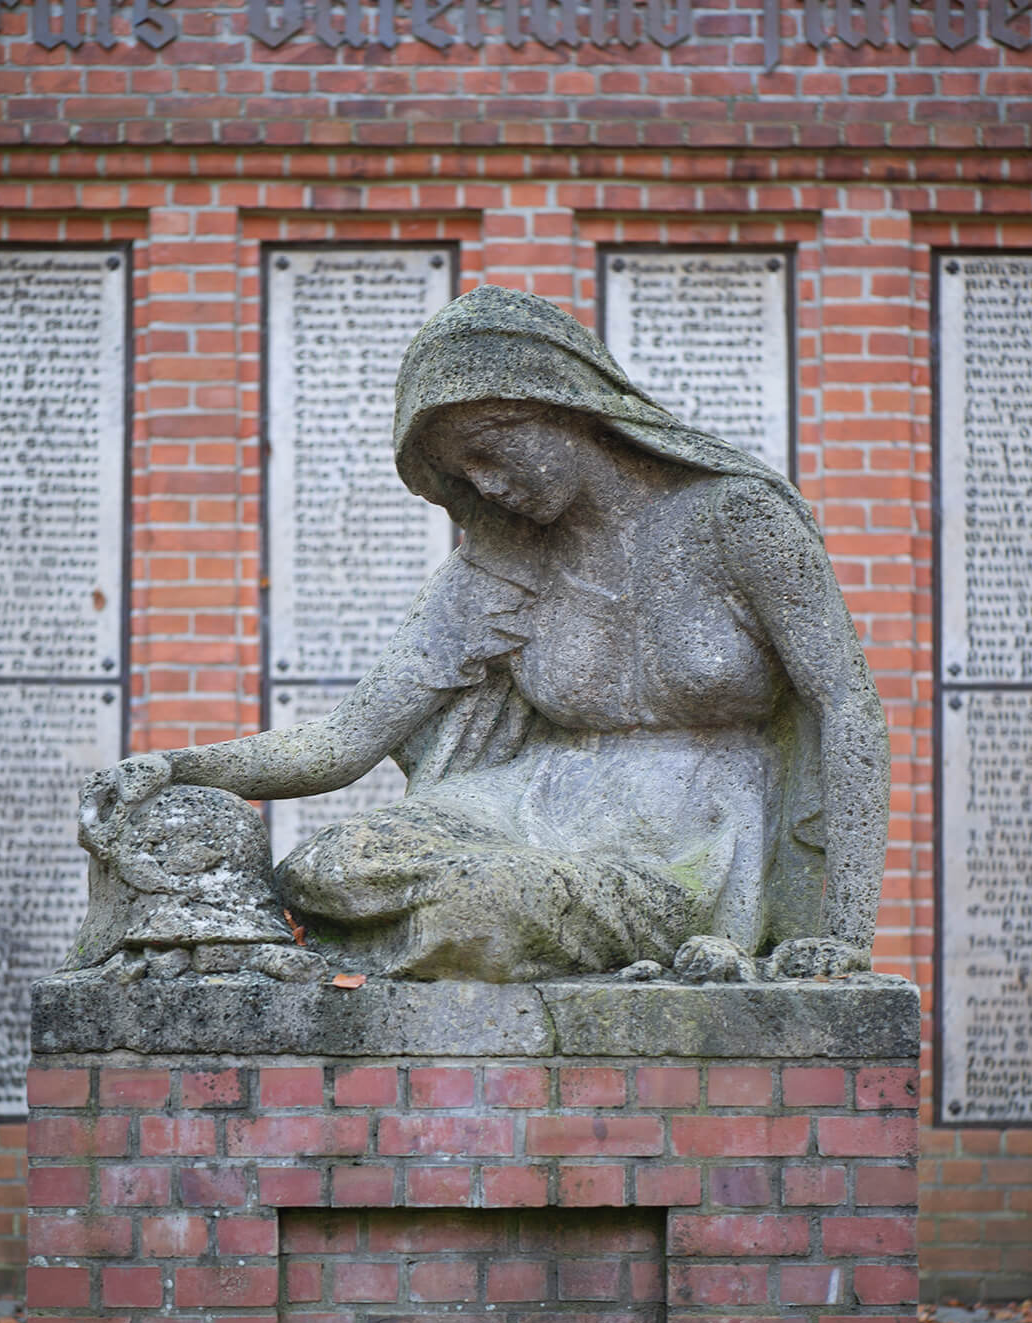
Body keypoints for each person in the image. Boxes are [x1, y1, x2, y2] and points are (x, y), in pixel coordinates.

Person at [83, 286, 890, 983]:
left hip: (687, 843)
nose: (489, 487)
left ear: (565, 407)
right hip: (525, 809)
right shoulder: (498, 569)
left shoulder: (738, 520)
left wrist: (840, 937)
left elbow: (846, 704)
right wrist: (176, 766)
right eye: (467, 476)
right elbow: (345, 740)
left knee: (477, 907)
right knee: (331, 866)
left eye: (494, 453)